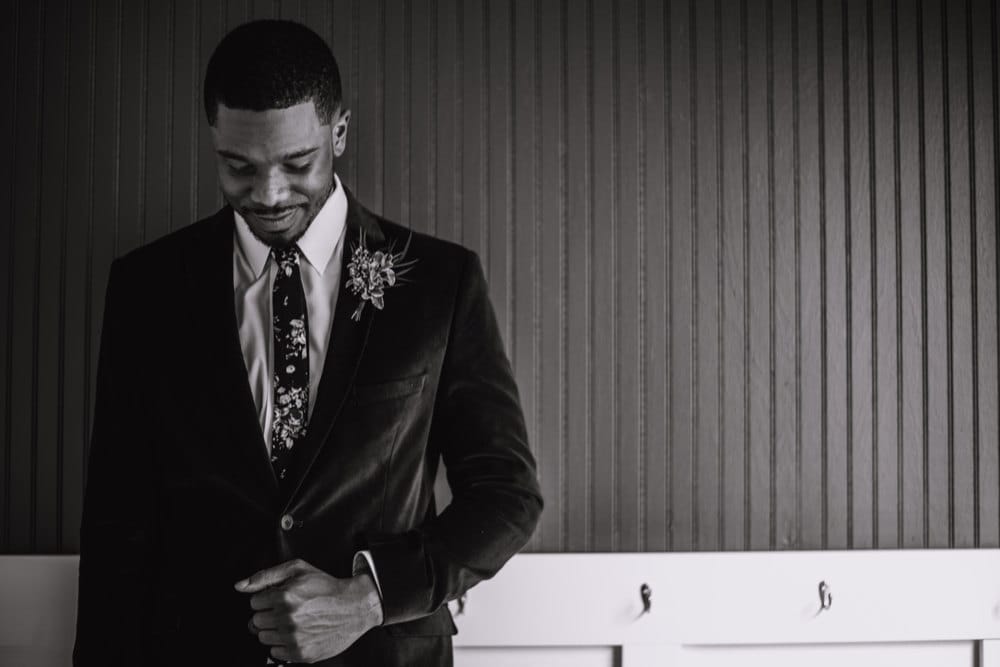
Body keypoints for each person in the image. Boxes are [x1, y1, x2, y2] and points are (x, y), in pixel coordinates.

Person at [72, 19, 542, 667]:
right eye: (238, 165)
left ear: (338, 133)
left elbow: (507, 492)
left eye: (297, 163)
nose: (267, 193)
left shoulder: (439, 282)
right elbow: (117, 521)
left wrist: (370, 597)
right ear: (214, 139)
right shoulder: (147, 287)